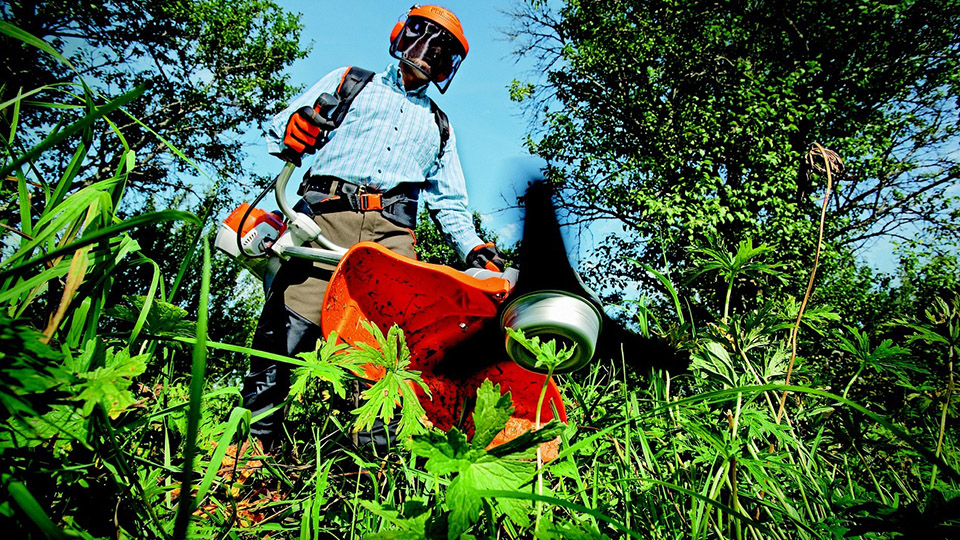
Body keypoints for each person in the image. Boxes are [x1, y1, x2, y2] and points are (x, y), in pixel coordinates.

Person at [241, 5, 505, 452]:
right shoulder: (351, 81)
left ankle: (372, 465)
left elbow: (451, 203)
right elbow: (280, 128)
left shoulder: (440, 126)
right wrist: (295, 127)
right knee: (288, 327)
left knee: (391, 349)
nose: (427, 55)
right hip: (326, 214)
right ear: (401, 34)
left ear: (449, 66)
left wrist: (474, 248)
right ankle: (248, 449)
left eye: (442, 52)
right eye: (422, 39)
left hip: (392, 235)